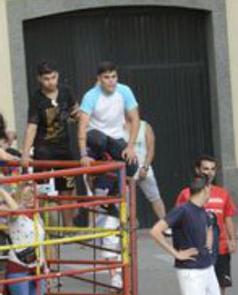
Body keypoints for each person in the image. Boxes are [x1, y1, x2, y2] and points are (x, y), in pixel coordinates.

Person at [175, 155, 238, 295]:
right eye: (205, 169)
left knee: (219, 291)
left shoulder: (223, 193)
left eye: (212, 169)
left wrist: (232, 239)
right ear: (198, 170)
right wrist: (180, 248)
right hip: (196, 252)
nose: (209, 172)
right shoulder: (186, 194)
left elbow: (228, 218)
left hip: (219, 250)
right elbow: (178, 220)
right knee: (197, 292)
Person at [1, 183, 53, 295]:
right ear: (17, 198)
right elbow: (14, 209)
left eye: (32, 195)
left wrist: (45, 268)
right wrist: (3, 191)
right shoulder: (14, 215)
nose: (30, 199)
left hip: (36, 267)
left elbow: (41, 243)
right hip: (19, 268)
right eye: (25, 196)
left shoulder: (37, 216)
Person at [77, 61, 139, 198]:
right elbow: (82, 125)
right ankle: (95, 173)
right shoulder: (91, 95)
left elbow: (135, 119)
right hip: (95, 137)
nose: (111, 81)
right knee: (100, 139)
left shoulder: (124, 91)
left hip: (115, 138)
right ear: (99, 79)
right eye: (106, 77)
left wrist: (130, 147)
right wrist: (83, 154)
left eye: (113, 77)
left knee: (133, 165)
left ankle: (111, 194)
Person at [21, 61, 79, 197]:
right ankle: (40, 218)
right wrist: (25, 153)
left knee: (67, 191)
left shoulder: (66, 91)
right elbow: (31, 127)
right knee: (42, 191)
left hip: (64, 149)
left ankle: (68, 220)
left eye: (53, 77)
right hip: (43, 150)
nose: (50, 82)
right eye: (46, 79)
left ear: (57, 76)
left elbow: (76, 110)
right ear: (39, 79)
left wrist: (79, 115)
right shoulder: (37, 98)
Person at [128, 118, 166, 221]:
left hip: (144, 168)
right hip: (127, 171)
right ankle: (128, 228)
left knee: (155, 197)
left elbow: (151, 149)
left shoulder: (145, 126)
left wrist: (145, 167)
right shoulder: (119, 126)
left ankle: (165, 225)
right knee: (124, 201)